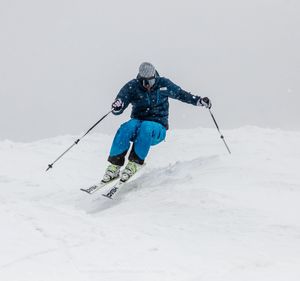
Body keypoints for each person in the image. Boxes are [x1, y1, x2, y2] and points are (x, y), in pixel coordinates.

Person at [102, 62, 212, 183]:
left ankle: (135, 162)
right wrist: (118, 105)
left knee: (146, 126)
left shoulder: (163, 84)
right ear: (140, 79)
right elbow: (120, 102)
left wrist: (199, 101)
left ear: (155, 76)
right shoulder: (133, 86)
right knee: (126, 127)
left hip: (157, 127)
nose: (148, 85)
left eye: (151, 81)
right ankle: (114, 165)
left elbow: (181, 94)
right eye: (145, 82)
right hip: (137, 123)